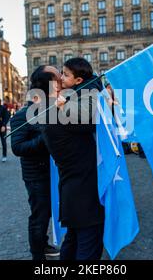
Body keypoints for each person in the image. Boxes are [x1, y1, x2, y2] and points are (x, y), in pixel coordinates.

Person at [40, 58, 105, 260]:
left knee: (72, 241)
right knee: (88, 247)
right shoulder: (60, 115)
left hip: (72, 191)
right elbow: (91, 118)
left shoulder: (50, 112)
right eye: (58, 76)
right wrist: (93, 84)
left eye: (63, 74)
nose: (61, 77)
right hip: (84, 193)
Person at [10, 66, 61, 260]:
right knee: (39, 215)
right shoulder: (23, 115)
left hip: (53, 171)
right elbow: (18, 147)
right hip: (36, 175)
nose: (61, 82)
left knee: (48, 212)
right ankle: (37, 255)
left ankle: (43, 243)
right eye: (56, 79)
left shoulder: (52, 108)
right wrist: (45, 136)